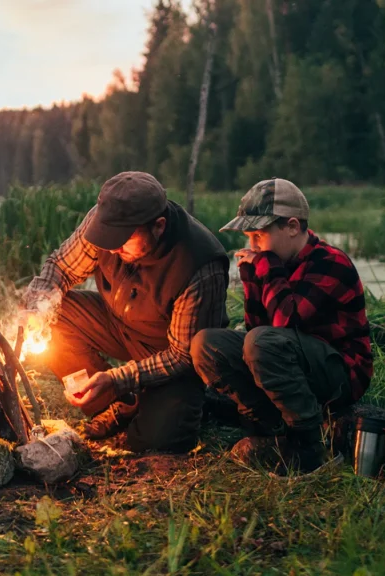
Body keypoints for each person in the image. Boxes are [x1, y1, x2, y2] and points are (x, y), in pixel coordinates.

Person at [19, 171, 229, 452]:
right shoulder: (105, 225)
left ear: (158, 226)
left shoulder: (198, 264)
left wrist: (118, 378)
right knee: (56, 315)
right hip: (119, 325)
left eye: (124, 239)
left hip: (172, 354)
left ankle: (205, 402)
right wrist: (37, 308)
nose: (113, 247)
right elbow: (60, 267)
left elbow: (182, 356)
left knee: (156, 441)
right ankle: (118, 404)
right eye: (109, 237)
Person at [190, 178, 373, 474]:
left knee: (264, 342)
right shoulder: (274, 262)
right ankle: (268, 427)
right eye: (250, 237)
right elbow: (256, 329)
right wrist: (252, 278)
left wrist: (265, 267)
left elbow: (285, 323)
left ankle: (310, 447)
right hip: (293, 361)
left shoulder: (330, 262)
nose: (253, 246)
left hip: (341, 374)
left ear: (291, 226)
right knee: (206, 344)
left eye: (259, 235)